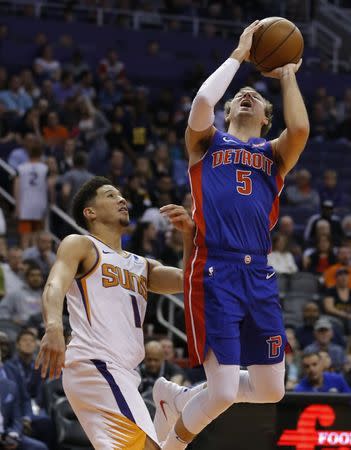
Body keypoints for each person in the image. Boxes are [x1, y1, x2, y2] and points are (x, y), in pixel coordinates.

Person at [153, 20, 309, 449]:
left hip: (258, 272)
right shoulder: (207, 144)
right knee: (222, 392)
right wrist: (240, 54)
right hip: (215, 268)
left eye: (255, 96)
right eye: (240, 94)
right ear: (227, 112)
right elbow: (203, 101)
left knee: (272, 389)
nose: (246, 95)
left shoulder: (274, 154)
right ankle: (172, 444)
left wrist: (288, 73)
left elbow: (299, 131)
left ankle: (176, 398)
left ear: (266, 116)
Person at [34, 176, 195, 450]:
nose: (122, 199)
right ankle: (167, 405)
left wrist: (189, 235)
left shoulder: (141, 265)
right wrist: (53, 327)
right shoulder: (81, 245)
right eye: (110, 195)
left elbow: (190, 280)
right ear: (90, 212)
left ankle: (166, 407)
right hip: (96, 363)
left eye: (121, 195)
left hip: (123, 371)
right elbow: (54, 284)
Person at [323, 267, 351, 335]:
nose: (344, 277)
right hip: (335, 319)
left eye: (346, 275)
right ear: (336, 278)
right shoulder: (331, 291)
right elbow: (329, 308)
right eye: (341, 275)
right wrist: (345, 315)